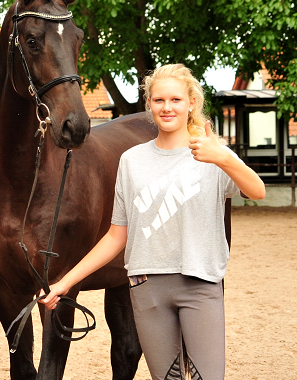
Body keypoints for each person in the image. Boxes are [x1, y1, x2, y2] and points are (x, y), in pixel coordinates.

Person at [40, 64, 265, 380]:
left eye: (175, 100)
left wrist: (223, 157)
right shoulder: (132, 161)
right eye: (159, 100)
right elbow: (116, 237)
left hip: (199, 285)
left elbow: (257, 191)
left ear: (191, 103)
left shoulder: (213, 155)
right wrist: (64, 282)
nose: (167, 107)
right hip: (147, 290)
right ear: (149, 105)